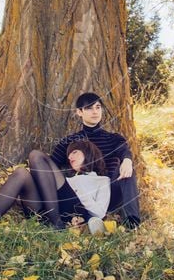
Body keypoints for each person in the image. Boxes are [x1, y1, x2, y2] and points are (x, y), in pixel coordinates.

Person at [50, 92, 141, 227]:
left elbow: (124, 151)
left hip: (108, 193)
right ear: (79, 112)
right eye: (89, 108)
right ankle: (80, 218)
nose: (95, 112)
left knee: (127, 169)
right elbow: (52, 164)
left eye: (98, 107)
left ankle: (132, 221)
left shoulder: (113, 138)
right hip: (82, 194)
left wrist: (127, 161)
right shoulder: (70, 142)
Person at [0, 138, 110, 234]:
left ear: (88, 153)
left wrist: (80, 194)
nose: (70, 157)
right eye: (69, 155)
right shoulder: (69, 178)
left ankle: (56, 223)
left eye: (75, 152)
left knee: (36, 155)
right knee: (21, 173)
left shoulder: (102, 180)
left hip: (70, 212)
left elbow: (100, 212)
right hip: (43, 211)